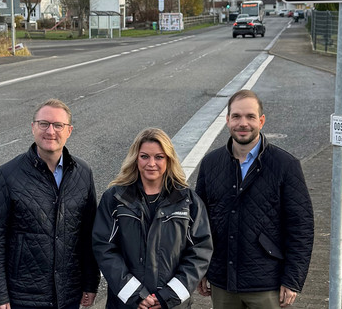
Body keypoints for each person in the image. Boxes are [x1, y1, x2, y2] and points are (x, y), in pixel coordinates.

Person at [195, 90, 314, 309]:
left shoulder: (285, 165)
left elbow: (301, 226)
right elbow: (200, 225)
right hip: (222, 283)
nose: (243, 123)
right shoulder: (210, 164)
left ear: (261, 121)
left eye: (250, 117)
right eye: (237, 116)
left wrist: (292, 279)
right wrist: (201, 270)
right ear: (228, 120)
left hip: (267, 284)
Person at [0, 99, 100, 309]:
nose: (50, 131)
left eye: (58, 125)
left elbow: (88, 234)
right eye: (43, 124)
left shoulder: (83, 173)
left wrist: (91, 282)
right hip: (23, 295)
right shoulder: (7, 175)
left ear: (69, 131)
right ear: (33, 127)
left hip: (68, 293)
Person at [93, 128, 213, 309]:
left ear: (169, 159)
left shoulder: (188, 201)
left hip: (172, 305)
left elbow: (200, 251)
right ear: (135, 158)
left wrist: (168, 296)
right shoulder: (115, 198)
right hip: (126, 304)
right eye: (144, 156)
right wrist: (136, 295)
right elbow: (104, 248)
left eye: (159, 157)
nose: (151, 163)